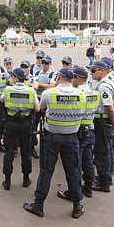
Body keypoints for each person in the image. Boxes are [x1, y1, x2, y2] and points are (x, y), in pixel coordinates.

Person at [23, 68, 85, 219]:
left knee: (46, 171)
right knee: (73, 171)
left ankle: (38, 205)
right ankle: (77, 206)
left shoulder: (49, 93)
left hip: (52, 137)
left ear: (60, 77)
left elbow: (42, 109)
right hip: (71, 138)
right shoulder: (81, 95)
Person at [57, 66, 98, 200]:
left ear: (79, 78)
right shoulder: (93, 91)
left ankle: (75, 192)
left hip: (78, 131)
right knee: (88, 161)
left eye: (74, 77)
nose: (72, 79)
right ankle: (88, 188)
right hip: (90, 128)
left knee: (75, 164)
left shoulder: (78, 93)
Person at [0, 67, 39, 190]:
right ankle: (26, 179)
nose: (11, 78)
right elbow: (37, 109)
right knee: (26, 152)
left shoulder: (7, 89)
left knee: (9, 152)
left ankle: (7, 181)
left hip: (11, 124)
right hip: (25, 124)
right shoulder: (31, 91)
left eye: (13, 76)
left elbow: (2, 100)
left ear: (16, 78)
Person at [91, 61, 114, 192]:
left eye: (94, 70)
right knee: (105, 150)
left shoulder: (104, 86)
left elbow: (108, 106)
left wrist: (113, 122)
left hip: (103, 122)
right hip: (105, 122)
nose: (91, 73)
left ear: (102, 71)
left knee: (101, 152)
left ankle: (104, 182)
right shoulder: (109, 82)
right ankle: (104, 177)